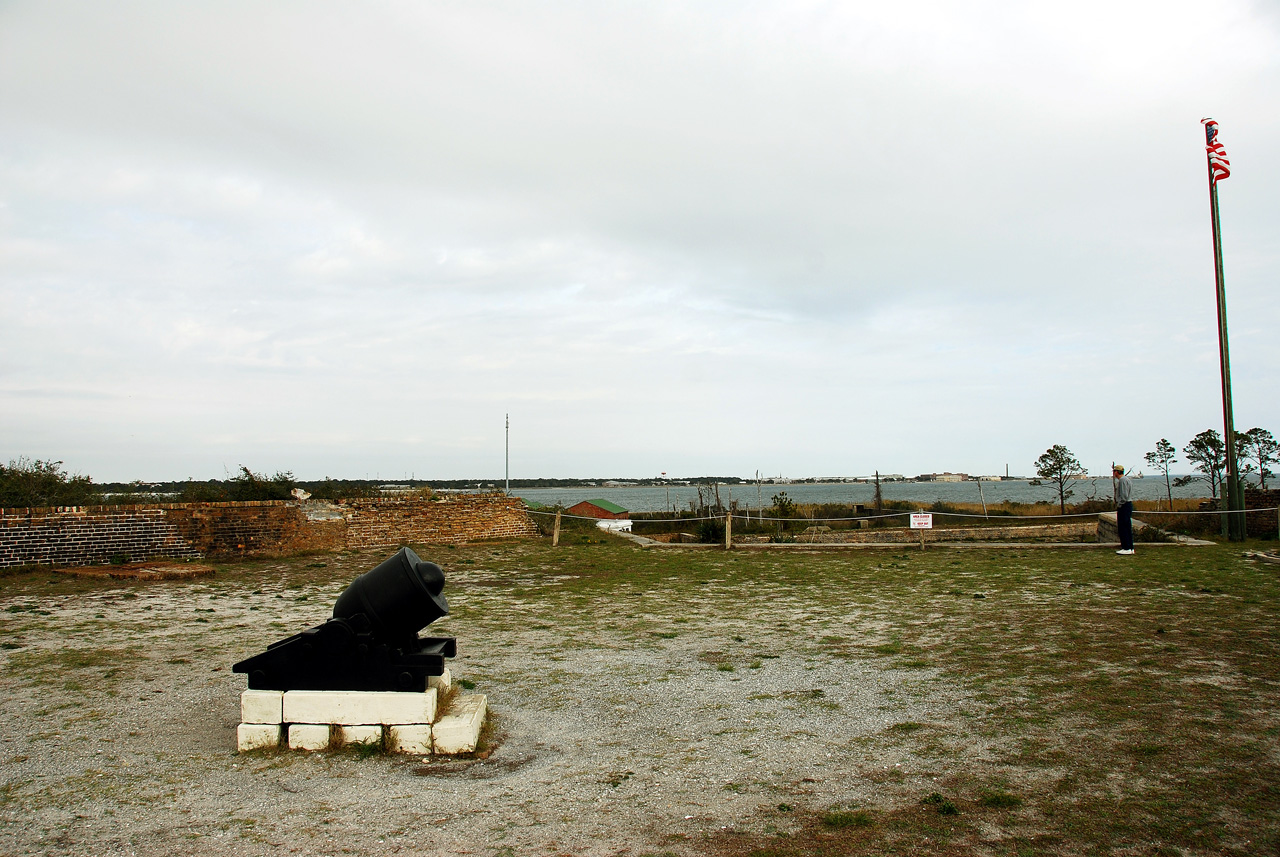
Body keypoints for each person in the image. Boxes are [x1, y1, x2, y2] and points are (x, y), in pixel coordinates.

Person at [1114, 464, 1134, 555]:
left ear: (1117, 472)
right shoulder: (1127, 480)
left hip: (1124, 505)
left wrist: (1119, 504)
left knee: (1123, 527)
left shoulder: (1122, 480)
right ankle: (1130, 547)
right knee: (1127, 527)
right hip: (1128, 504)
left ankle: (1126, 547)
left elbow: (1124, 496)